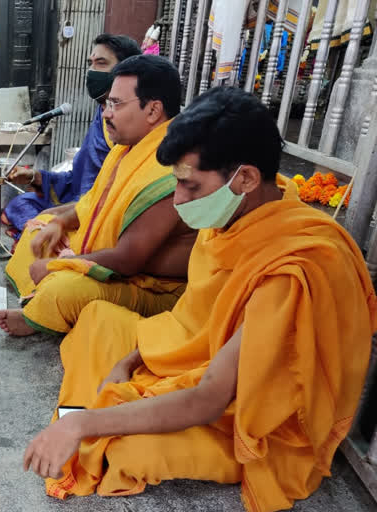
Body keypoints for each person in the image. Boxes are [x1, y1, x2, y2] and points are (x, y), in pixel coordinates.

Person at [22, 87, 377, 512]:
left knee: (119, 453)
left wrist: (83, 422)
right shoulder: (233, 211)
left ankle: (87, 418)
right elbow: (190, 323)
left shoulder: (292, 266)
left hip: (243, 417)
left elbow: (210, 399)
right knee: (98, 322)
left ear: (244, 178)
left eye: (189, 185)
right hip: (197, 363)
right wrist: (129, 362)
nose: (178, 200)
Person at [0, 55, 195, 337]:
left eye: (116, 104)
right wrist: (60, 223)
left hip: (150, 285)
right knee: (37, 231)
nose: (105, 114)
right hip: (110, 260)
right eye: (107, 104)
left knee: (64, 290)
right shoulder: (127, 148)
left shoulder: (167, 171)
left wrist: (62, 264)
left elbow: (128, 260)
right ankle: (43, 295)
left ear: (153, 111)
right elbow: (92, 205)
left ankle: (38, 311)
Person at [1, 34, 142, 242]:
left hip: (102, 210)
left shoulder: (132, 125)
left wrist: (60, 218)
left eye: (101, 63)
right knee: (20, 204)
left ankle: (51, 238)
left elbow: (112, 195)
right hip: (79, 200)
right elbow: (79, 177)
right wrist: (34, 177)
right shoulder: (101, 112)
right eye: (90, 63)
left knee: (44, 223)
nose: (92, 71)